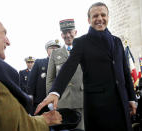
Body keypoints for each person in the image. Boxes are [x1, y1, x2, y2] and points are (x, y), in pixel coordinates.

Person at [35, 2, 137, 131]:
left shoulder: (117, 41)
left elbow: (125, 72)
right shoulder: (82, 42)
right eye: (95, 16)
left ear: (108, 17)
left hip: (122, 106)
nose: (99, 18)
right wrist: (55, 91)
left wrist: (132, 98)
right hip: (99, 109)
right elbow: (68, 67)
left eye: (103, 15)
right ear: (89, 20)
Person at [46, 19, 84, 130]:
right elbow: (50, 79)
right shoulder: (55, 54)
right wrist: (50, 100)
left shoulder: (83, 50)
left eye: (70, 32)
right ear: (61, 35)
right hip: (61, 101)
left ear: (75, 32)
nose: (68, 35)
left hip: (80, 99)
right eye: (65, 32)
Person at [28, 40, 61, 114]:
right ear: (47, 50)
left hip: (58, 102)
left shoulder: (63, 63)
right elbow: (31, 81)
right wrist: (30, 97)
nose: (55, 50)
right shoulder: (39, 62)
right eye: (52, 48)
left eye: (57, 48)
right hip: (40, 101)